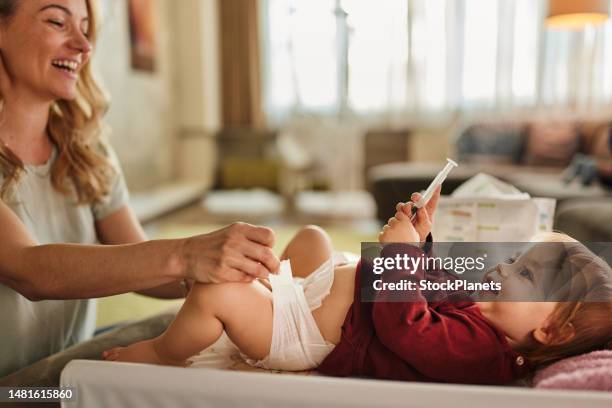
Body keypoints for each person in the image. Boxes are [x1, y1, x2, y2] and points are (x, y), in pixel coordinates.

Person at [0, 0, 279, 383]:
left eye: (85, 27)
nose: (83, 45)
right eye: (57, 22)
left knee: (187, 334)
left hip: (69, 364)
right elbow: (29, 270)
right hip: (15, 393)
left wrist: (222, 269)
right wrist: (186, 254)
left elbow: (145, 261)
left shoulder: (87, 151)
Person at [105, 187, 612, 385]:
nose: (503, 268)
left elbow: (406, 327)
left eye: (523, 275)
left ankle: (164, 352)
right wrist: (419, 239)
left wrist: (398, 254)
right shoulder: (484, 307)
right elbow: (428, 286)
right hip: (319, 294)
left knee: (213, 293)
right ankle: (263, 300)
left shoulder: (482, 352)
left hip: (307, 335)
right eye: (517, 260)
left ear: (550, 333)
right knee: (311, 236)